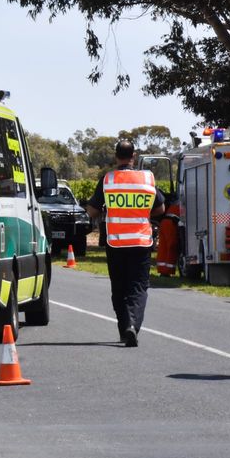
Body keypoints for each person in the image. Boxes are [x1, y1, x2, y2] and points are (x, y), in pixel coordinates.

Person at [86, 140, 164, 347]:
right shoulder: (147, 179)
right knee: (138, 288)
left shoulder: (108, 180)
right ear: (134, 156)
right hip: (141, 242)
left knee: (119, 288)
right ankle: (133, 327)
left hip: (116, 243)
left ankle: (125, 328)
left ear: (116, 156)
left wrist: (104, 210)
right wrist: (143, 213)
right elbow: (161, 208)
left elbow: (92, 210)